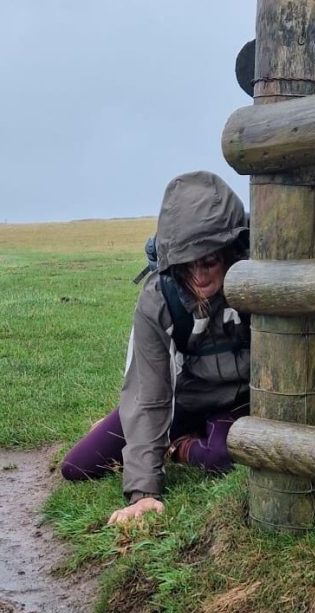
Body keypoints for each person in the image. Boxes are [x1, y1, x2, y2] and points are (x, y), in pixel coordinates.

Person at [60, 171, 250, 524]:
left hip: (236, 404)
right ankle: (141, 428)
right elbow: (150, 391)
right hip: (182, 401)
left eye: (208, 261)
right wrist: (144, 493)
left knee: (222, 456)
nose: (199, 277)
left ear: (232, 250)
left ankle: (180, 446)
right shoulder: (159, 297)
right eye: (185, 265)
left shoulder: (260, 282)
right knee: (77, 467)